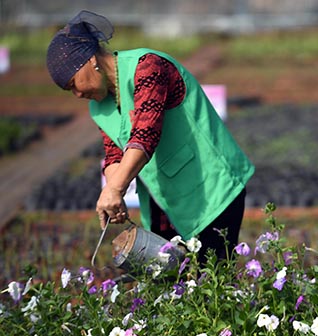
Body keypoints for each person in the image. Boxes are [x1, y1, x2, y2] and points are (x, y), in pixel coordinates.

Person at [46, 10, 255, 265]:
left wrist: (115, 188)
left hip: (211, 188)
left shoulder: (148, 67)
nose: (77, 94)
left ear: (90, 61)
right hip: (166, 201)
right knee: (173, 290)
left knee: (211, 282)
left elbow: (146, 133)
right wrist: (115, 195)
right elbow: (114, 153)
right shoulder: (98, 107)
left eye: (73, 84)